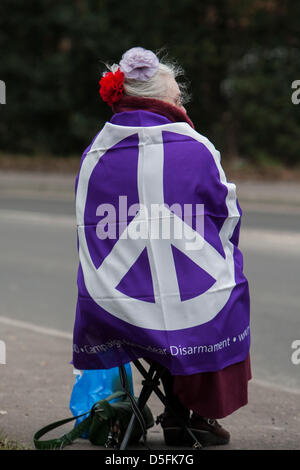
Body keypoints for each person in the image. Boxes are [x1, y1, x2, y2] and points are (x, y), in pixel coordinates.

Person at [73, 47, 251, 447]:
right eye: (176, 98)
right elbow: (229, 218)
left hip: (111, 308)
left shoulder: (95, 151)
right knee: (227, 287)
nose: (180, 105)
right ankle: (189, 413)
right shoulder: (196, 146)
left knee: (160, 310)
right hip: (196, 307)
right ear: (161, 101)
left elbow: (86, 232)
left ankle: (154, 410)